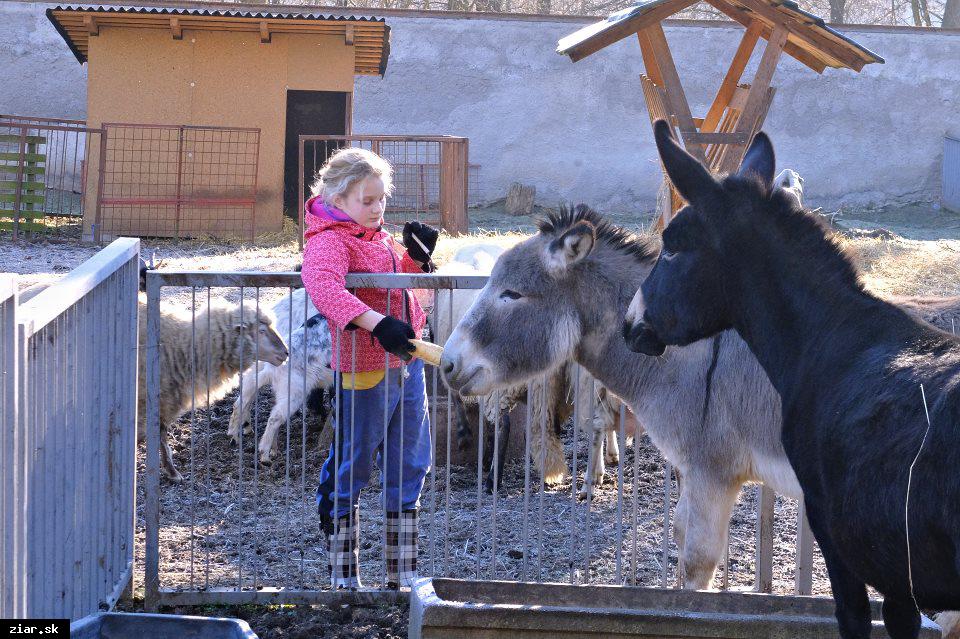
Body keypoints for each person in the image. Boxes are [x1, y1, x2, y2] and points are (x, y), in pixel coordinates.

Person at [300, 147, 439, 590]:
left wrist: (416, 260)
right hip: (364, 368)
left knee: (410, 461)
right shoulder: (328, 240)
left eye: (382, 199)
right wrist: (376, 325)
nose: (378, 208)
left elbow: (403, 286)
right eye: (368, 201)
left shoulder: (378, 236)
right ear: (339, 200)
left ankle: (402, 577)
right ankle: (345, 581)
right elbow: (323, 286)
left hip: (407, 362)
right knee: (354, 463)